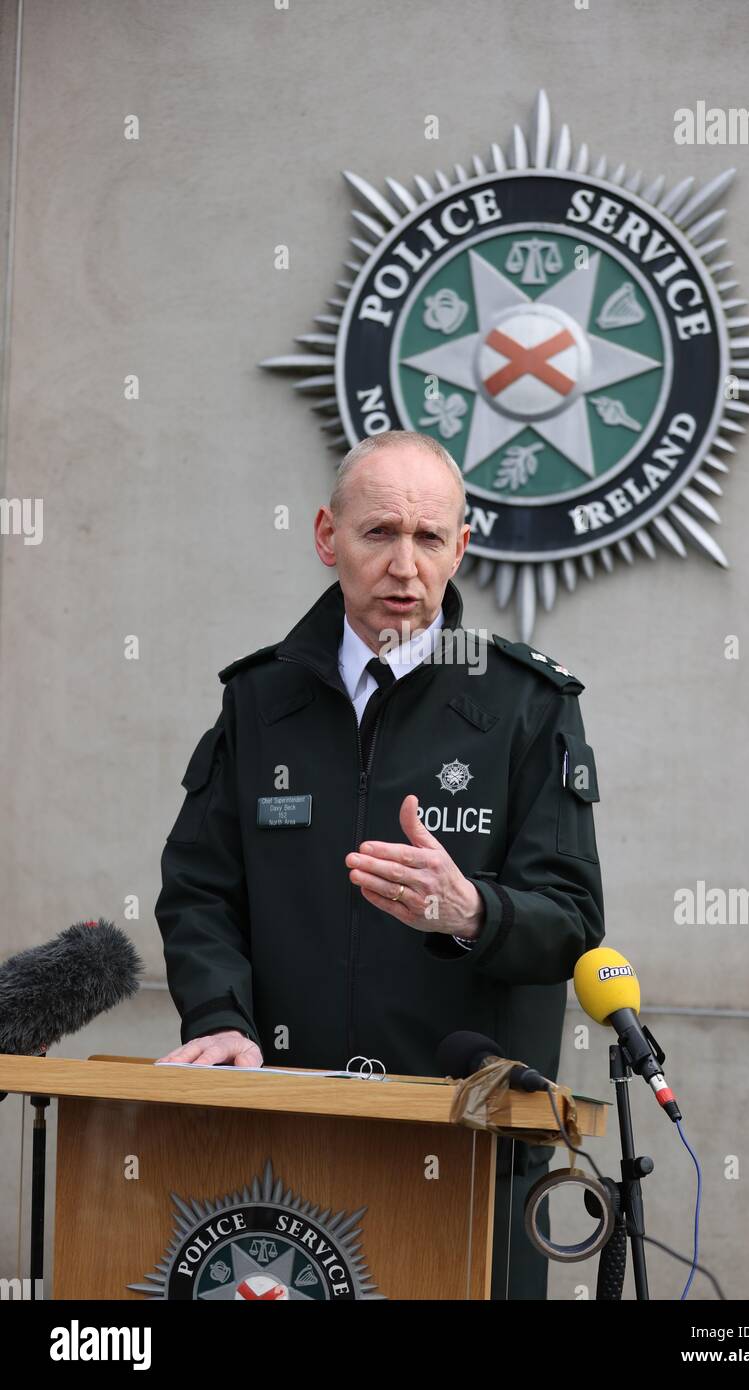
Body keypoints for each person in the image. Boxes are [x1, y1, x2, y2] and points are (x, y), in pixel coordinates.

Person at [155, 429, 605, 1299]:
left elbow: (573, 922)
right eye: (379, 534)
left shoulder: (526, 704)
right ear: (329, 537)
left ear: (461, 548)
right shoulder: (260, 699)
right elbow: (199, 888)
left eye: (429, 538)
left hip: (470, 1150)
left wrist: (472, 912)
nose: (405, 565)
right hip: (288, 1139)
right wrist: (218, 1015)